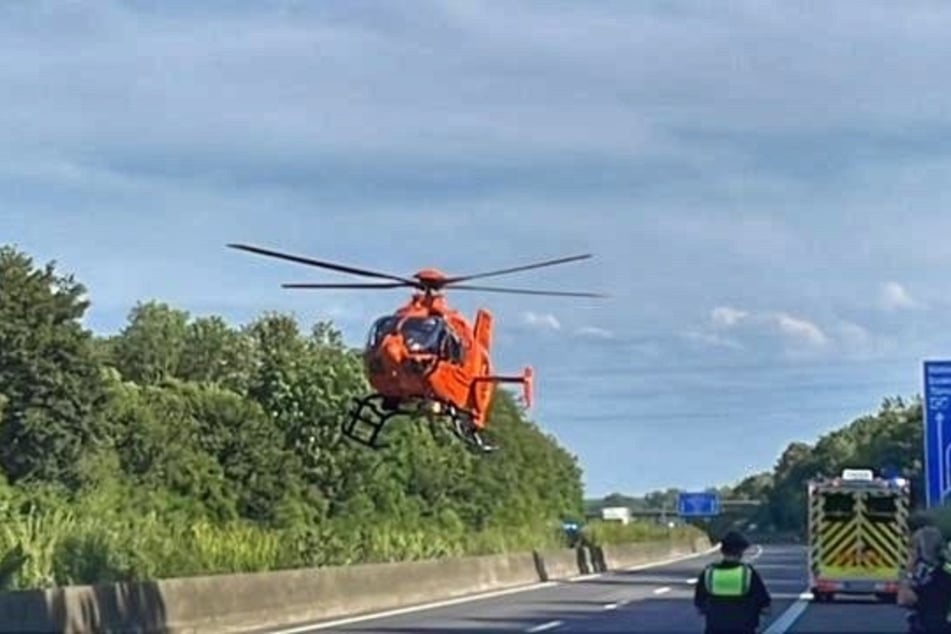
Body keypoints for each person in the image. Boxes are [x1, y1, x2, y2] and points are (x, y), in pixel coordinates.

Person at [693, 530, 771, 634]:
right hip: (744, 628)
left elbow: (699, 601)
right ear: (741, 552)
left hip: (715, 628)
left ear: (722, 550)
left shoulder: (709, 572)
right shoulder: (747, 573)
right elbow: (764, 601)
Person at [900, 523, 951, 633]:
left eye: (912, 547)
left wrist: (908, 571)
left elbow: (904, 599)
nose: (910, 551)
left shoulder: (926, 574)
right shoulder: (945, 568)